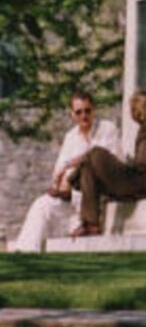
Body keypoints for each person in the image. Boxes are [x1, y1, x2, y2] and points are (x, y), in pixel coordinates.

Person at [13, 91, 120, 252]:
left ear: (94, 110)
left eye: (87, 110)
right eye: (79, 112)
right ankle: (25, 252)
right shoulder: (70, 137)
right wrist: (62, 183)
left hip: (97, 195)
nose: (84, 115)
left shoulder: (107, 129)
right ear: (72, 114)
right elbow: (58, 172)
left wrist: (71, 164)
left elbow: (104, 159)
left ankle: (82, 226)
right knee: (41, 205)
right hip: (71, 196)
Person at [69, 89, 146, 237]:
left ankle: (74, 181)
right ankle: (91, 224)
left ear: (139, 110)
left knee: (95, 154)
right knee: (89, 167)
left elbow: (143, 164)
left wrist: (128, 163)